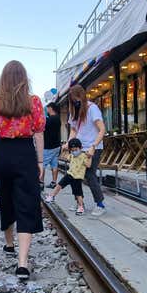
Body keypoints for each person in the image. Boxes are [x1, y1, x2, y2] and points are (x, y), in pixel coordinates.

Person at [0, 60, 45, 281]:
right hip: (25, 154)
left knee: (7, 199)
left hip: (4, 154)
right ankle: (22, 263)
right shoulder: (34, 102)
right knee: (27, 204)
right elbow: (38, 133)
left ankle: (9, 244)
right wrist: (40, 162)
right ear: (23, 77)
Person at [66, 85, 106, 216]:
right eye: (72, 100)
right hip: (78, 148)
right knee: (74, 175)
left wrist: (93, 146)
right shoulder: (73, 111)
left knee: (89, 174)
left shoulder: (92, 108)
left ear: (81, 96)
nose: (75, 102)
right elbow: (73, 129)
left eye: (76, 99)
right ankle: (79, 203)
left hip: (92, 147)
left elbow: (102, 130)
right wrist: (68, 143)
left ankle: (100, 204)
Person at [45, 138, 93, 215]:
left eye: (76, 149)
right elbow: (64, 157)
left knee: (78, 193)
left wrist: (90, 157)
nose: (74, 152)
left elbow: (88, 165)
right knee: (59, 184)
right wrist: (64, 149)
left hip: (77, 177)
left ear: (80, 148)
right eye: (72, 150)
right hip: (69, 174)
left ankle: (81, 207)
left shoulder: (84, 155)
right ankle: (52, 196)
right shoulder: (71, 155)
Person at [43, 102, 62, 188]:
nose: (46, 110)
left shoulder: (49, 119)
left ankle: (40, 182)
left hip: (48, 146)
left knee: (42, 164)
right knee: (54, 164)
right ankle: (54, 182)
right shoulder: (58, 118)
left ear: (51, 108)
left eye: (47, 108)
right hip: (57, 145)